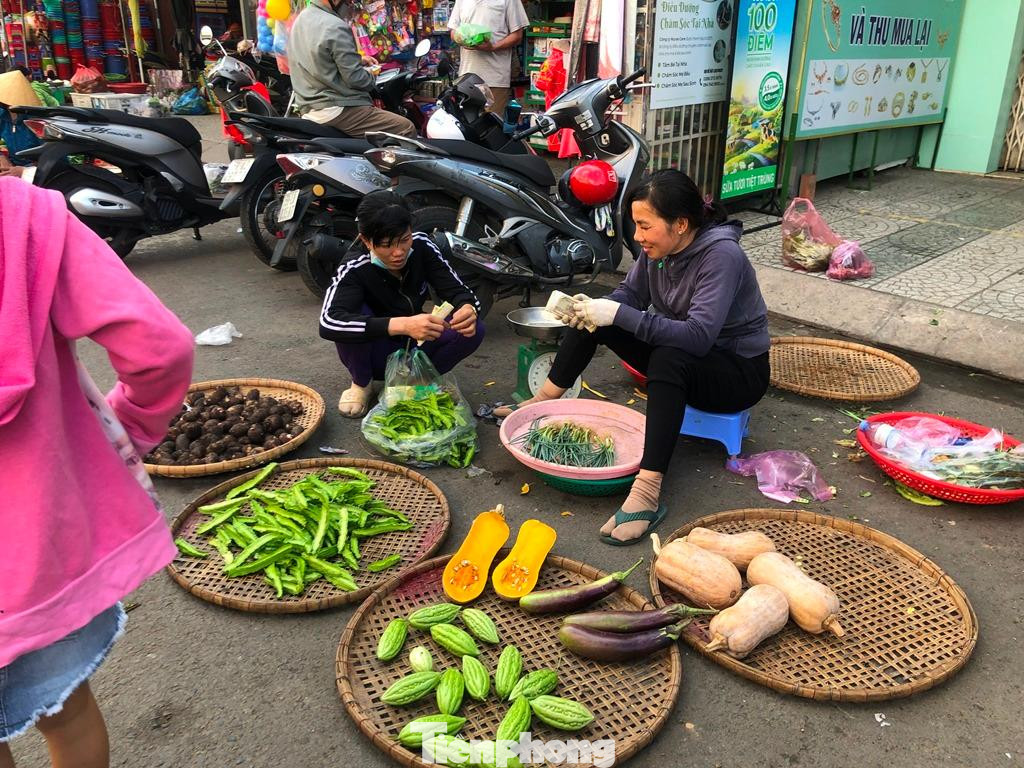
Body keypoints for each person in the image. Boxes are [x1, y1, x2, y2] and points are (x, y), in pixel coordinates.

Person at [0, 176, 195, 767]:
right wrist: (129, 427)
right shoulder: (22, 217)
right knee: (68, 712)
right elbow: (161, 346)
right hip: (35, 556)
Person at [499, 169, 771, 545]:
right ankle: (542, 400)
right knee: (595, 317)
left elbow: (697, 336)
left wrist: (618, 314)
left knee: (668, 358)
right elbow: (630, 296)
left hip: (736, 374)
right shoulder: (658, 250)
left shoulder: (722, 256)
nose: (638, 236)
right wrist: (596, 309)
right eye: (635, 226)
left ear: (680, 224)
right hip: (686, 357)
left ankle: (647, 490)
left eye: (645, 226)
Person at [319, 190, 484, 418]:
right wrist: (403, 325)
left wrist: (467, 307)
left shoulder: (423, 247)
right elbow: (329, 322)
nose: (399, 252)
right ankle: (361, 383)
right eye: (387, 245)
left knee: (473, 330)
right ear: (366, 240)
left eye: (404, 240)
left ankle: (419, 382)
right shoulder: (355, 267)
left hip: (415, 345)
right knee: (353, 314)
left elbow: (457, 290)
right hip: (375, 354)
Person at [288, 0, 417, 139]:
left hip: (309, 107)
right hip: (336, 108)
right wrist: (371, 74)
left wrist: (358, 60)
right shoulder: (335, 25)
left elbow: (318, 56)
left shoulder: (301, 20)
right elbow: (357, 80)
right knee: (405, 128)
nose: (349, 5)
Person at [448, 0, 529, 117]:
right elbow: (453, 30)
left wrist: (493, 47)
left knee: (492, 126)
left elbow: (517, 35)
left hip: (495, 78)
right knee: (467, 125)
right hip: (466, 78)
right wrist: (462, 39)